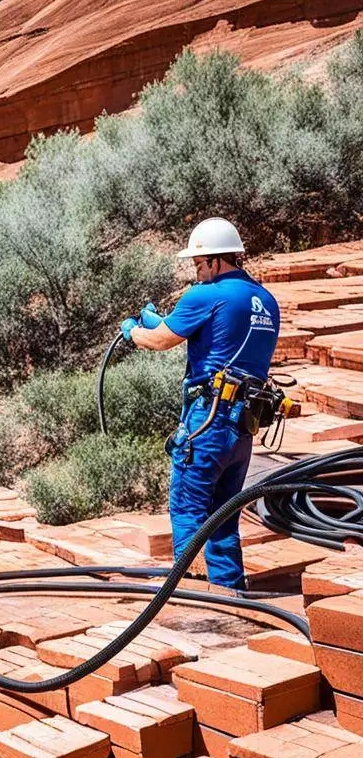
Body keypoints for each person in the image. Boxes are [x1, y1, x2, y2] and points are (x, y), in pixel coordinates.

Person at [124, 217, 280, 590]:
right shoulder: (267, 301)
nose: (196, 272)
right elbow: (224, 340)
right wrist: (163, 320)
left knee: (188, 508)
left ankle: (191, 595)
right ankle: (231, 593)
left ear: (216, 260)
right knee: (223, 515)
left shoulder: (205, 295)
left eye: (198, 264)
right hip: (244, 427)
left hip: (206, 421)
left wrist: (134, 332)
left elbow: (160, 341)